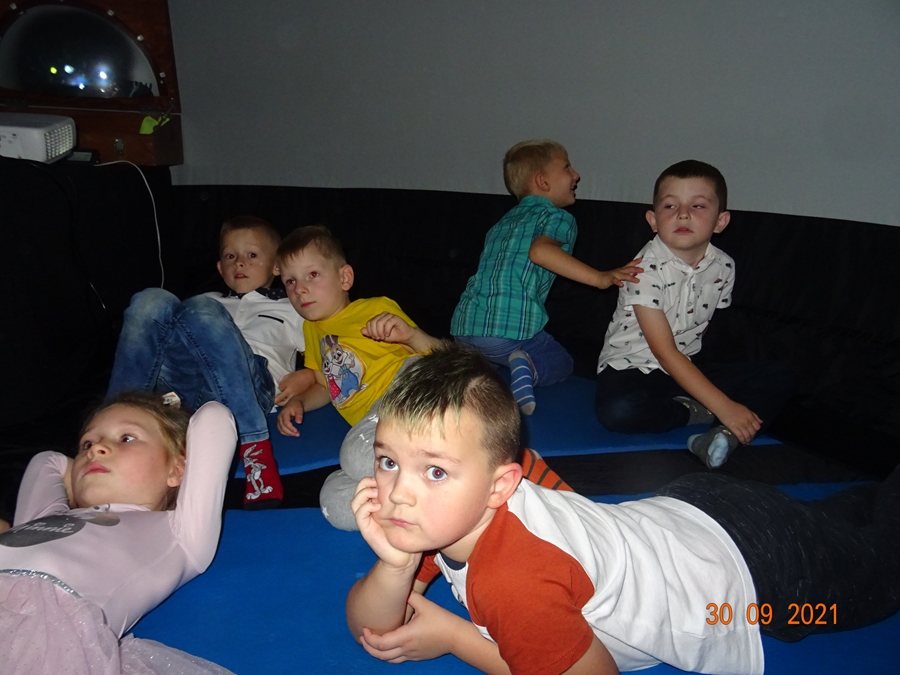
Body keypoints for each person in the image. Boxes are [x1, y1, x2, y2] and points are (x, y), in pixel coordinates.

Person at [347, 345, 900, 675]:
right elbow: (373, 627)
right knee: (836, 526)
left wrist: (456, 638)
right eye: (388, 461)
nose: (399, 493)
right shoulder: (451, 509)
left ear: (499, 486)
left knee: (881, 573)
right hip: (694, 509)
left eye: (434, 470)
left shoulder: (513, 579)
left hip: (751, 582)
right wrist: (396, 566)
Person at [1, 391, 238, 674]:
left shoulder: (180, 532)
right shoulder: (48, 516)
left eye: (127, 438)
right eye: (87, 444)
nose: (95, 449)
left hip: (35, 630)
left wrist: (165, 407)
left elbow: (214, 417)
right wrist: (84, 479)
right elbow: (48, 461)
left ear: (177, 470)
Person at [595, 160, 794, 468]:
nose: (683, 214)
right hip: (633, 368)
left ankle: (724, 435)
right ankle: (694, 412)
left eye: (698, 206)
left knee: (780, 375)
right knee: (619, 411)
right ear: (653, 220)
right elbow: (664, 353)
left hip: (685, 367)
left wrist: (720, 393)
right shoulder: (642, 271)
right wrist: (723, 404)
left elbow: (705, 331)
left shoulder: (723, 266)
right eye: (670, 206)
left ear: (720, 221)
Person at [107, 216, 313, 509]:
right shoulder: (206, 300)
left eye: (251, 255)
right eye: (230, 256)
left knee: (201, 309)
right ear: (219, 268)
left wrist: (309, 376)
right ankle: (113, 424)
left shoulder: (291, 308)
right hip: (187, 388)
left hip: (252, 388)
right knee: (150, 300)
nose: (239, 263)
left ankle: (255, 448)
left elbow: (329, 355)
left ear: (276, 266)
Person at [451, 139, 642, 414]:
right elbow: (540, 252)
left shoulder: (503, 222)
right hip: (507, 332)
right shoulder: (557, 216)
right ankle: (527, 365)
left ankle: (475, 373)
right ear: (542, 182)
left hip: (464, 327)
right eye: (567, 167)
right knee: (561, 363)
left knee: (486, 368)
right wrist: (600, 278)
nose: (576, 175)